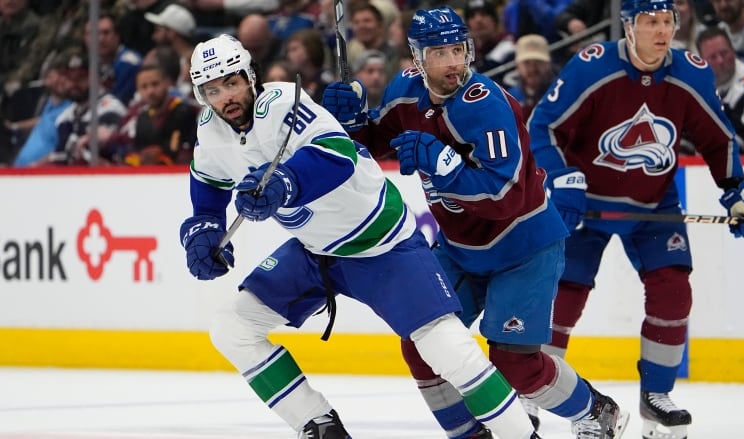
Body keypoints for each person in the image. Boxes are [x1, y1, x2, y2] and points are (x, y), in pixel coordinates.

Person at [181, 33, 542, 439]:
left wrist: (285, 184)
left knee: (447, 349)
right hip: (317, 252)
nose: (225, 96)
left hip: (381, 242)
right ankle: (319, 426)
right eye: (212, 90)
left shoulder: (282, 103)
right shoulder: (210, 128)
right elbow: (208, 183)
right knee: (233, 327)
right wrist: (204, 228)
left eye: (232, 82)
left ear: (250, 77)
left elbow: (338, 153)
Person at [322, 7, 628, 439]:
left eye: (457, 50)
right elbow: (374, 145)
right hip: (460, 247)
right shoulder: (405, 90)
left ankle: (595, 411)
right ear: (416, 56)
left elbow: (505, 198)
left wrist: (444, 164)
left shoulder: (488, 105)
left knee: (515, 365)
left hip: (523, 247)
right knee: (421, 348)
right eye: (439, 52)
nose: (452, 63)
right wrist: (350, 124)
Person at [526, 0, 744, 438]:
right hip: (585, 205)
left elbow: (719, 139)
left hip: (654, 206)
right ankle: (533, 392)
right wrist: (562, 179)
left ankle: (655, 396)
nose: (661, 32)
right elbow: (542, 127)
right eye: (649, 22)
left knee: (674, 292)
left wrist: (736, 189)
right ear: (627, 26)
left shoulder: (691, 71)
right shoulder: (592, 66)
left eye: (667, 22)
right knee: (562, 296)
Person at [696, 26, 744, 154]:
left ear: (734, 52)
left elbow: (735, 149)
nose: (720, 60)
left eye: (724, 53)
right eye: (713, 57)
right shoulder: (694, 88)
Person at [505, 34, 559, 124]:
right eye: (527, 63)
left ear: (548, 64)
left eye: (538, 62)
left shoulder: (560, 91)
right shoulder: (511, 97)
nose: (532, 69)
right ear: (518, 66)